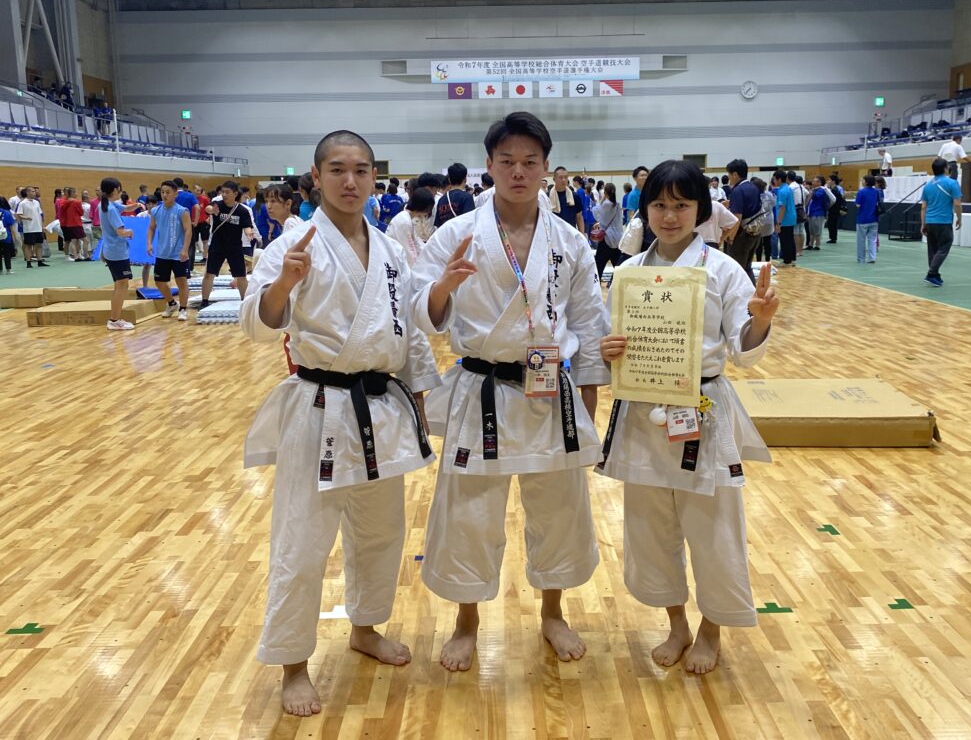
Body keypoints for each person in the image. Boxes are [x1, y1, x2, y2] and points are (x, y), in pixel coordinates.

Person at [240, 129, 440, 717]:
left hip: (380, 407)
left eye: (360, 170)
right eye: (337, 170)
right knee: (302, 539)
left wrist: (419, 402)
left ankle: (365, 627)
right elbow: (258, 325)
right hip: (319, 406)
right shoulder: (292, 244)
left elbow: (408, 333)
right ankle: (292, 662)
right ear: (317, 176)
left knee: (380, 531)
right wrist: (284, 283)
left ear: (374, 177)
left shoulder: (390, 249)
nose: (350, 181)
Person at [410, 111, 608, 672]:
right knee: (468, 511)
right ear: (489, 165)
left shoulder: (568, 240)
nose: (518, 172)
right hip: (483, 386)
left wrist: (588, 401)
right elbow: (422, 312)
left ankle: (553, 612)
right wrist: (443, 288)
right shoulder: (456, 234)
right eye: (507, 161)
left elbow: (589, 320)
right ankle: (466, 621)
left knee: (559, 508)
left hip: (550, 391)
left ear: (546, 167)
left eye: (529, 161)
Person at [597, 158, 777, 675]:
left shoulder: (722, 270)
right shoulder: (628, 272)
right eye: (659, 205)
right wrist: (608, 350)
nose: (669, 216)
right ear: (645, 209)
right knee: (651, 527)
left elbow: (743, 348)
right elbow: (613, 342)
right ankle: (676, 624)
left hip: (702, 409)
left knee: (714, 527)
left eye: (681, 205)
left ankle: (711, 629)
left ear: (700, 210)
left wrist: (760, 321)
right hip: (643, 411)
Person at [201, 181, 254, 305]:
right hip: (217, 246)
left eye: (227, 192)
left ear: (235, 194)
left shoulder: (242, 210)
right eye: (223, 192)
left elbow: (247, 226)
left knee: (241, 276)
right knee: (209, 274)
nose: (224, 194)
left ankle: (245, 301)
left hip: (235, 247)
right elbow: (208, 208)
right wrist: (212, 210)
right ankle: (204, 301)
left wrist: (249, 233)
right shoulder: (217, 205)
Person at [146, 180, 192, 321]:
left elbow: (188, 230)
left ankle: (183, 309)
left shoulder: (182, 211)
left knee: (181, 281)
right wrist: (149, 243)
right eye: (162, 192)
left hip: (178, 254)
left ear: (175, 194)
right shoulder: (155, 211)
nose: (164, 195)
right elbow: (151, 228)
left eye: (168, 192)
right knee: (159, 282)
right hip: (162, 253)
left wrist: (185, 249)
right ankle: (172, 304)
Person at [97, 177, 136, 331]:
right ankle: (114, 320)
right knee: (122, 285)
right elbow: (121, 232)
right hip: (117, 252)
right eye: (120, 189)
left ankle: (115, 318)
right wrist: (130, 232)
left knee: (119, 285)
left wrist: (136, 205)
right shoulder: (111, 209)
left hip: (111, 250)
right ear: (115, 190)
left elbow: (125, 208)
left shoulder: (106, 204)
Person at [920, 157, 962, 287]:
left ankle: (935, 274)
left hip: (930, 220)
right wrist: (959, 218)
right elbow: (957, 204)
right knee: (944, 247)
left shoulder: (927, 185)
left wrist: (923, 224)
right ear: (945, 168)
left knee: (932, 249)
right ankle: (931, 273)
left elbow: (923, 207)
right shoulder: (952, 183)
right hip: (943, 221)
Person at [723, 158, 761, 281]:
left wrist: (730, 237)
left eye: (729, 174)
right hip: (755, 233)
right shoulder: (753, 187)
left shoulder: (737, 190)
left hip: (741, 235)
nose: (729, 178)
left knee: (735, 270)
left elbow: (736, 218)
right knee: (747, 267)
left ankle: (740, 293)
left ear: (735, 174)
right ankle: (752, 291)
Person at [384, 186, 435, 266]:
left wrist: (428, 253)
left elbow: (416, 242)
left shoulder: (407, 217)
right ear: (423, 207)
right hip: (393, 261)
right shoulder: (404, 221)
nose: (428, 213)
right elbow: (409, 253)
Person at [592, 182, 624, 279]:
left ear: (605, 192)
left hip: (607, 238)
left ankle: (597, 284)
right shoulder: (618, 204)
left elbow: (597, 215)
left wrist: (602, 199)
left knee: (599, 265)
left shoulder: (606, 204)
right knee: (618, 266)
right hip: (618, 238)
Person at [435, 163, 475, 228]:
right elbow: (470, 222)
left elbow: (438, 225)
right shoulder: (467, 197)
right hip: (462, 234)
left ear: (449, 180)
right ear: (465, 179)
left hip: (445, 234)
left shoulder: (441, 200)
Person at [15, 188, 47, 268]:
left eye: (34, 191)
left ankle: (40, 261)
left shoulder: (36, 202)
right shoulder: (23, 203)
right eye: (33, 191)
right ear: (28, 192)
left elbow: (40, 214)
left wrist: (42, 226)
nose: (34, 193)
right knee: (28, 245)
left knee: (39, 244)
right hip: (29, 228)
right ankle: (28, 262)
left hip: (38, 227)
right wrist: (26, 217)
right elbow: (19, 214)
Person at [854, 175, 882, 264]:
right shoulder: (876, 191)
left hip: (862, 219)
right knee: (872, 240)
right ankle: (872, 257)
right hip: (874, 219)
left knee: (861, 241)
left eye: (863, 180)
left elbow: (858, 205)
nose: (862, 181)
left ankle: (861, 259)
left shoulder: (861, 192)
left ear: (866, 182)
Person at [772, 170, 796, 266]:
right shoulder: (788, 188)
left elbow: (782, 209)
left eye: (774, 179)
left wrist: (778, 223)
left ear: (779, 179)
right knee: (790, 239)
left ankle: (787, 261)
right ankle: (792, 259)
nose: (774, 181)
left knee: (785, 240)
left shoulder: (782, 191)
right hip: (791, 217)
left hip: (785, 219)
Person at [548, 166, 584, 232]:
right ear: (554, 179)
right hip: (554, 233)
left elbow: (579, 216)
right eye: (560, 177)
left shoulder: (574, 196)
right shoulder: (547, 196)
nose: (564, 180)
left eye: (566, 177)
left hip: (570, 233)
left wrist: (582, 233)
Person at [806, 176, 831, 251]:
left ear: (820, 182)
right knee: (811, 230)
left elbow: (816, 196)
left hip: (818, 212)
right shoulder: (814, 190)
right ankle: (810, 244)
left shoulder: (821, 190)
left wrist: (810, 191)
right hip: (811, 212)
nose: (813, 182)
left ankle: (817, 245)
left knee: (817, 230)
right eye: (813, 181)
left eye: (815, 181)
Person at [825, 175, 845, 244]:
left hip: (834, 209)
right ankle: (832, 237)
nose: (828, 181)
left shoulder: (835, 190)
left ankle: (833, 238)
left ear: (833, 181)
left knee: (832, 224)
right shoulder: (832, 189)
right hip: (833, 209)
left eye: (829, 180)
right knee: (831, 224)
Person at [0, 197, 16, 274]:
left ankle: (0, 270)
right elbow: (11, 226)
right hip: (6, 235)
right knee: (7, 253)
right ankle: (8, 269)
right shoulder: (7, 213)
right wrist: (14, 237)